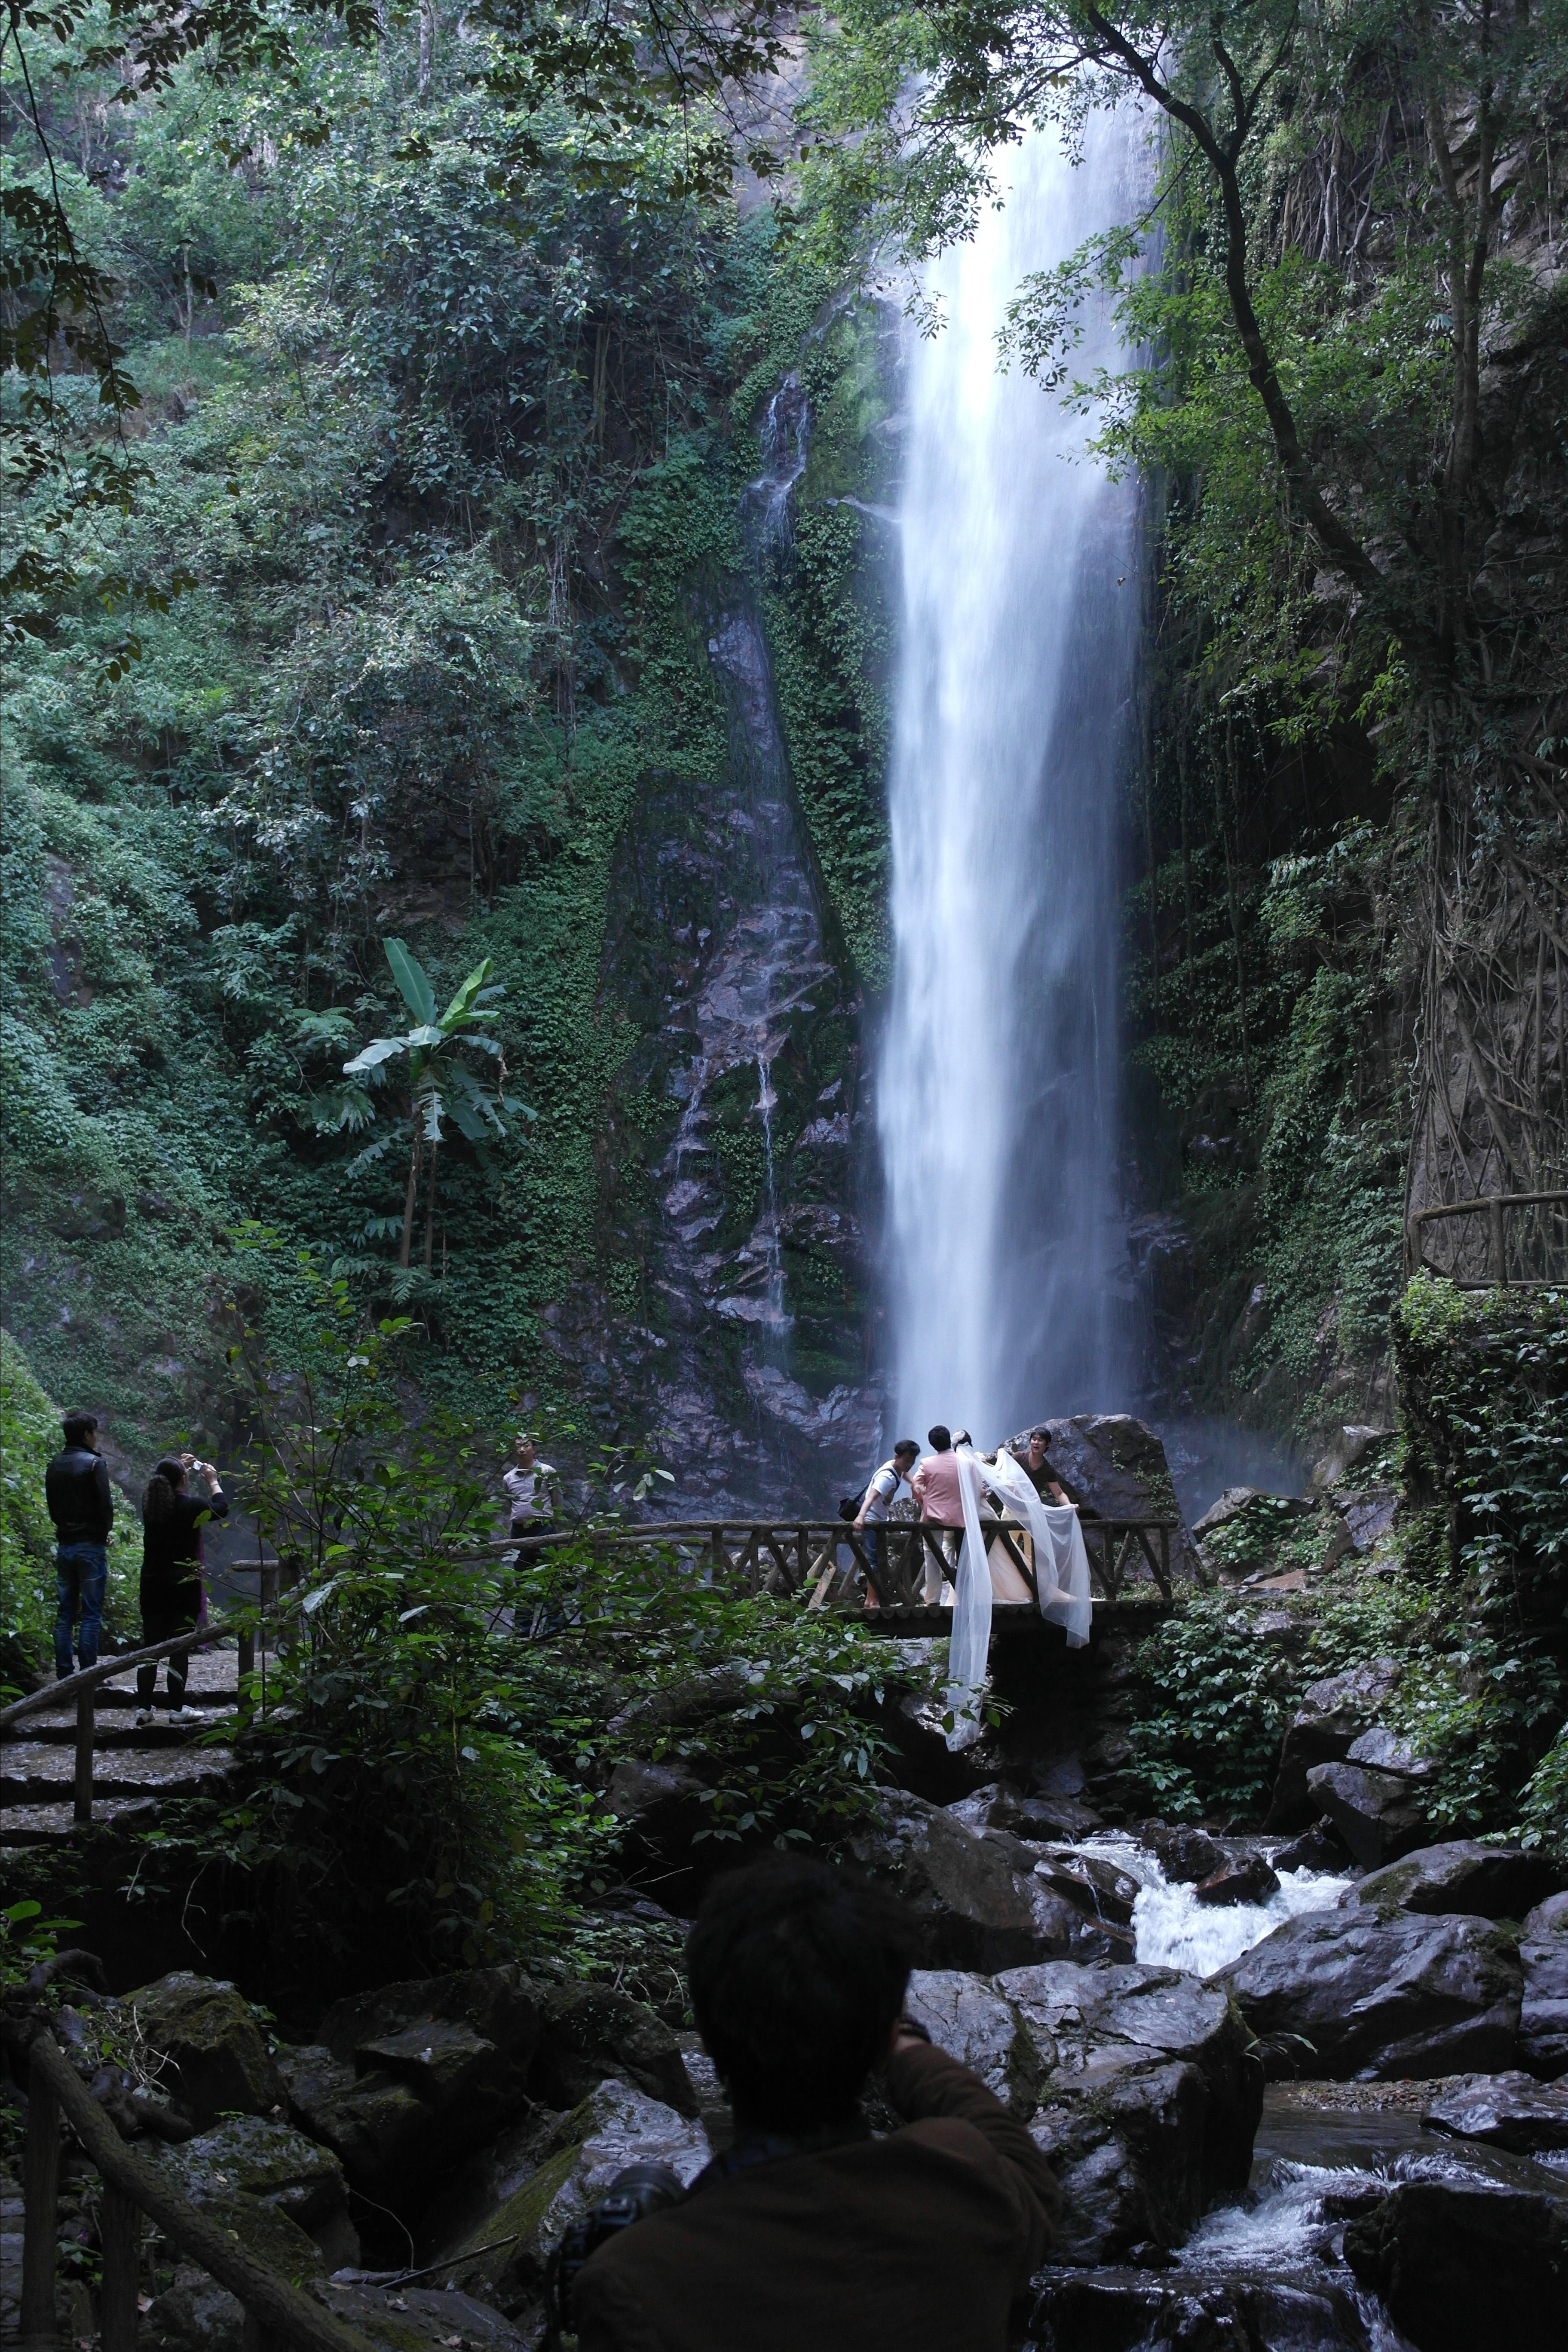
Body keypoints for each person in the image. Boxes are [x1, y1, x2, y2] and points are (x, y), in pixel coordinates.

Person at [571, 1853, 1060, 2352]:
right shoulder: (969, 2188)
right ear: (880, 2038)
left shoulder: (636, 2283)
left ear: (711, 2039)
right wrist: (903, 2042)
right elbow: (1025, 2167)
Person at [135, 1454, 229, 1726]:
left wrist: (178, 1469)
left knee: (150, 1647)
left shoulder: (149, 1505)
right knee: (179, 1647)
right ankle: (177, 1708)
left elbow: (162, 1485)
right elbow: (222, 1508)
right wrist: (213, 1481)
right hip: (182, 1585)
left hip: (152, 1583)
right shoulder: (192, 1507)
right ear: (184, 1481)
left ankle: (144, 1708)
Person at [45, 1411, 113, 1680]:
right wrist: (101, 1533)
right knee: (91, 1614)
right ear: (87, 1435)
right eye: (95, 1432)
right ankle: (88, 1675)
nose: (97, 1438)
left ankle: (64, 1675)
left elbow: (53, 1509)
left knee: (65, 1614)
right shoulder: (95, 1464)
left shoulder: (55, 1465)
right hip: (90, 1547)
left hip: (65, 1545)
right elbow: (105, 1507)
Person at [851, 1439, 919, 1605]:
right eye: (907, 1461)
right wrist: (861, 1517)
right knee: (874, 1562)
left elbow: (904, 1473)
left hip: (879, 1521)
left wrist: (914, 1483)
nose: (909, 1465)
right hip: (872, 1521)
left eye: (912, 1461)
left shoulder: (895, 1467)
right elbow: (872, 1495)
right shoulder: (887, 1477)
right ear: (897, 1457)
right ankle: (872, 1601)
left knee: (878, 1560)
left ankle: (871, 1600)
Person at [909, 1425, 965, 1602]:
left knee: (932, 1555)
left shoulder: (926, 1464)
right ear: (950, 1440)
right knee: (963, 1557)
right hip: (961, 1518)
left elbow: (916, 1488)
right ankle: (964, 1596)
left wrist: (923, 1498)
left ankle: (933, 1599)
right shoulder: (966, 1463)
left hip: (933, 1517)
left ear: (932, 1445)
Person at [501, 1430, 559, 1544]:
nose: (522, 1450)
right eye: (518, 1446)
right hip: (518, 1531)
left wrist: (553, 1521)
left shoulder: (547, 1471)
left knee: (545, 1560)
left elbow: (557, 1500)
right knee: (520, 1561)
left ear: (534, 1449)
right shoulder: (508, 1478)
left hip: (543, 1529)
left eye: (526, 1446)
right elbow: (510, 1504)